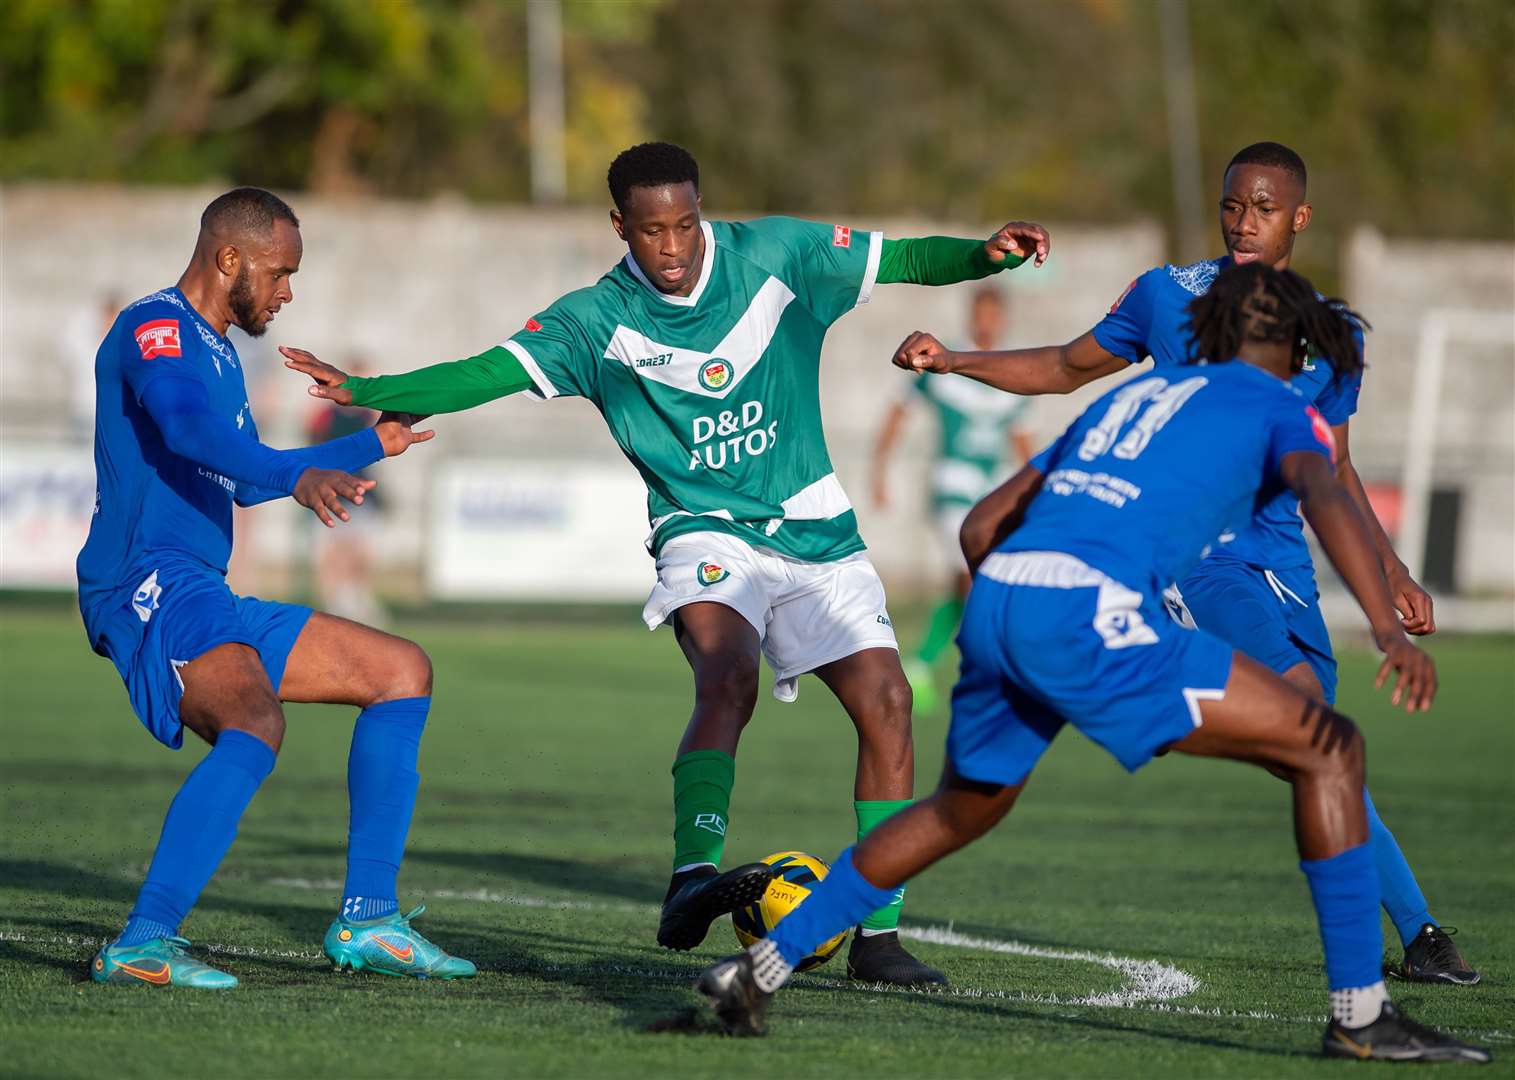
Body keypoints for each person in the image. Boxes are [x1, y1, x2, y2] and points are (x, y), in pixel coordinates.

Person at [282, 141, 1051, 986]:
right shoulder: (593, 320)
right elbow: (486, 372)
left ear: (701, 211)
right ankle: (692, 879)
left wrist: (981, 256)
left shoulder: (777, 254)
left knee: (890, 702)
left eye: (686, 225)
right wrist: (367, 388)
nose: (674, 248)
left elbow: (898, 256)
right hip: (703, 532)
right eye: (653, 232)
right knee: (727, 672)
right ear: (621, 227)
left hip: (814, 528)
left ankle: (877, 939)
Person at [695, 264, 1490, 1064]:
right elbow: (1323, 491)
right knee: (1330, 747)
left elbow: (981, 527)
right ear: (1288, 344)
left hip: (1004, 596)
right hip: (1088, 612)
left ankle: (760, 970)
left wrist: (1021, 618)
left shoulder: (1128, 400)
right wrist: (1387, 630)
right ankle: (1358, 1017)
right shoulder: (1271, 402)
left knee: (955, 810)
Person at [885, 142, 1474, 985]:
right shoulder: (1168, 297)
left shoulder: (1325, 330)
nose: (1242, 221)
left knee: (1317, 749)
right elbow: (1062, 367)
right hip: (1206, 564)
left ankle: (1396, 946)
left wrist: (1390, 573)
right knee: (1314, 734)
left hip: (1286, 570)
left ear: (1298, 218)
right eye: (1232, 204)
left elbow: (1332, 470)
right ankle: (1399, 957)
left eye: (1263, 208)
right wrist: (953, 360)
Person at [77, 187, 473, 988]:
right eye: (281, 272)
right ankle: (141, 942)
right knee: (254, 721)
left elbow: (248, 481)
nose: (289, 292)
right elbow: (189, 433)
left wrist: (372, 445)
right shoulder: (155, 328)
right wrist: (297, 479)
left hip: (202, 590)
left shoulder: (220, 351)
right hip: (145, 582)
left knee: (400, 671)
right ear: (230, 259)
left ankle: (369, 919)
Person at [870, 284, 1033, 711]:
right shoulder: (946, 362)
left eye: (993, 314)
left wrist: (1040, 494)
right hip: (951, 488)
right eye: (980, 312)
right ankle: (975, 672)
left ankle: (927, 665)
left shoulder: (1010, 371)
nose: (986, 321)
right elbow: (896, 411)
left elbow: (1023, 444)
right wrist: (880, 470)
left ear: (1003, 318)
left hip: (992, 492)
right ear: (971, 314)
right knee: (970, 575)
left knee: (971, 583)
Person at [303, 357, 387, 626]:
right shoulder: (325, 416)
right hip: (331, 492)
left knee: (360, 550)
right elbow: (311, 451)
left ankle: (358, 598)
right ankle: (334, 603)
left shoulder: (370, 416)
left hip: (361, 492)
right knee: (332, 552)